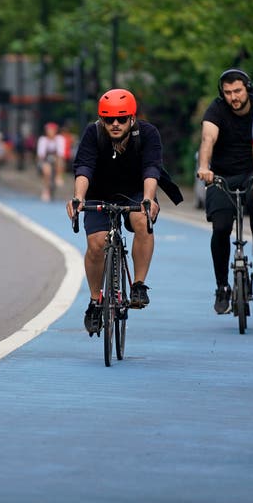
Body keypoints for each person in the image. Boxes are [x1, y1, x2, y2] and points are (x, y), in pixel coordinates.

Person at [66, 88, 183, 335]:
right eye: (109, 119)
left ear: (132, 118)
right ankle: (95, 300)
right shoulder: (93, 133)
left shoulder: (148, 133)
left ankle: (139, 285)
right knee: (97, 243)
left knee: (142, 220)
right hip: (100, 192)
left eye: (121, 119)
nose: (115, 124)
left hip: (135, 192)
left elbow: (152, 168)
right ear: (102, 119)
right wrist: (78, 198)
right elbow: (84, 167)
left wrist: (149, 199)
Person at [196, 69, 253, 314]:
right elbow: (207, 139)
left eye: (237, 91)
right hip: (221, 174)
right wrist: (204, 167)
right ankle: (222, 286)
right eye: (227, 93)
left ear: (247, 88)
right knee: (222, 227)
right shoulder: (216, 110)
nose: (233, 97)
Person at [36, 122, 67, 201]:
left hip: (56, 161)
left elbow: (61, 154)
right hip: (45, 161)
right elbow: (41, 156)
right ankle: (46, 190)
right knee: (47, 169)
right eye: (48, 130)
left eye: (52, 130)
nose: (50, 131)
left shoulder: (60, 139)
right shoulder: (43, 140)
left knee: (59, 160)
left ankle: (58, 176)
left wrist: (55, 159)